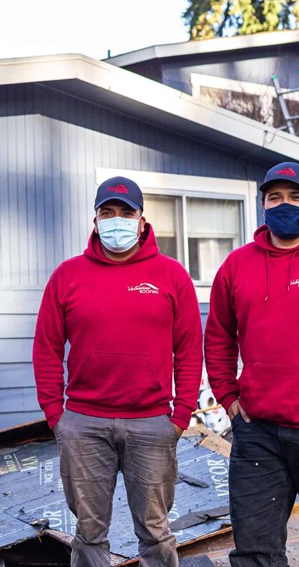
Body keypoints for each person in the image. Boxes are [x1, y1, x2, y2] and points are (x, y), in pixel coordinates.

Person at [33, 176, 203, 566]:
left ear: (142, 221)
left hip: (152, 424)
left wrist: (180, 415)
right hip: (84, 424)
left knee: (156, 532)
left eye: (126, 212)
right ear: (95, 220)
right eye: (107, 212)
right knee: (89, 533)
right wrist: (56, 415)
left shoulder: (171, 275)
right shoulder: (67, 276)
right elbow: (46, 348)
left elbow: (189, 349)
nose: (117, 220)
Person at [205, 161, 299, 566]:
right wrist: (227, 396)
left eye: (296, 197)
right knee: (255, 554)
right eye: (275, 197)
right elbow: (218, 336)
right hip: (257, 432)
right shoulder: (237, 265)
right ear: (262, 205)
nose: (284, 204)